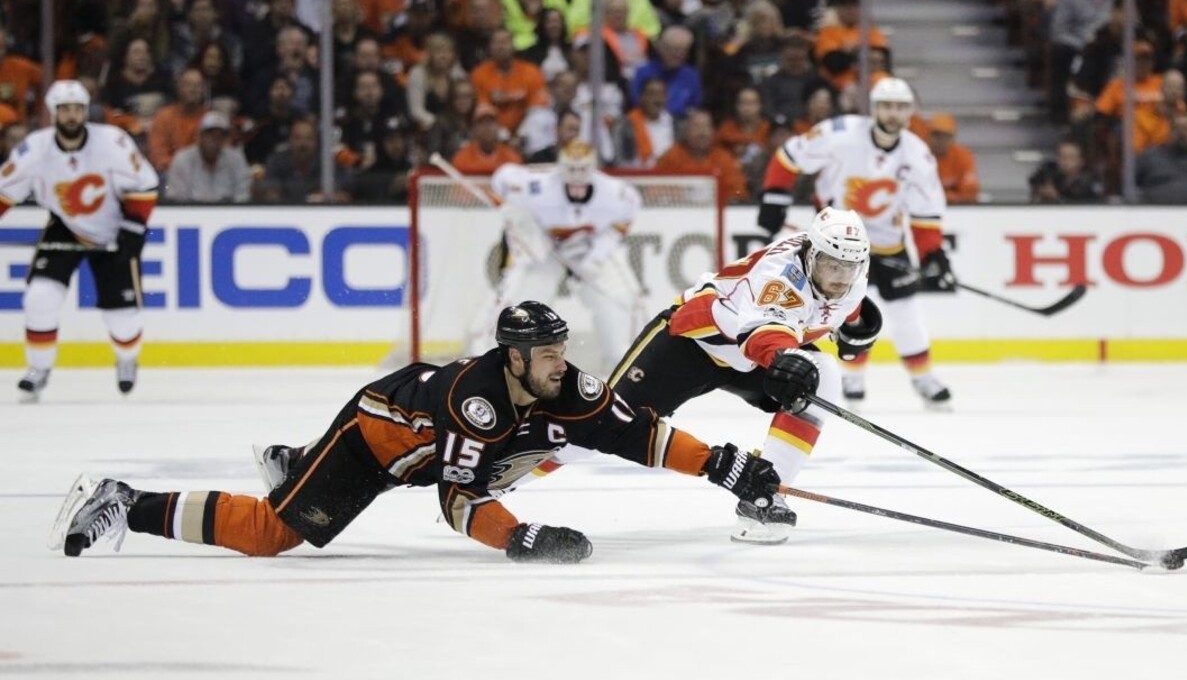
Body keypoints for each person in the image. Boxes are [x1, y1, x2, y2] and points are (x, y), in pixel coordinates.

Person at [50, 301, 780, 564]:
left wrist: (723, 465)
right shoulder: (477, 401)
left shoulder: (564, 385)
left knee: (573, 434)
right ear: (515, 357)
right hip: (378, 442)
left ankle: (289, 460)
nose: (564, 364)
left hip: (441, 451)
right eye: (549, 354)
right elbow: (458, 501)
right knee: (273, 536)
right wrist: (518, 539)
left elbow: (641, 436)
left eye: (564, 349)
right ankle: (118, 498)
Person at [563, 207, 877, 545]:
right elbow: (761, 334)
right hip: (691, 344)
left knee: (823, 375)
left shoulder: (853, 273)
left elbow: (844, 306)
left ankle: (764, 495)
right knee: (600, 423)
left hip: (744, 358)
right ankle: (505, 474)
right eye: (832, 265)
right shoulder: (781, 274)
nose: (840, 277)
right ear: (811, 253)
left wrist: (856, 326)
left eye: (849, 267)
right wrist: (783, 357)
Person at [756, 77, 954, 409]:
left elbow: (925, 211)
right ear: (874, 108)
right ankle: (852, 376)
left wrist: (933, 252)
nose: (893, 114)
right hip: (836, 246)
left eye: (901, 107)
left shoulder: (918, 154)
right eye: (887, 106)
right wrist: (774, 199)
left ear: (911, 112)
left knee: (906, 312)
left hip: (888, 244)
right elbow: (790, 156)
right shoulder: (841, 133)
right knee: (845, 309)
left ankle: (923, 378)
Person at [0, 80, 159, 401]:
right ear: (53, 113)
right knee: (39, 298)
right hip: (65, 226)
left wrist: (134, 227)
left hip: (115, 227)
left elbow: (146, 184)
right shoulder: (35, 150)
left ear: (85, 112)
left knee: (123, 320)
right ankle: (39, 369)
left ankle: (127, 359)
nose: (72, 116)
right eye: (64, 110)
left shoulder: (112, 142)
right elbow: (4, 193)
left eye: (77, 109)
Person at [467, 141, 642, 371]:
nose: (577, 177)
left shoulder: (617, 193)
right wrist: (523, 222)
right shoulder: (537, 186)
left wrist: (597, 255)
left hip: (587, 249)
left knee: (619, 298)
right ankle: (495, 359)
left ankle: (621, 363)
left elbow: (625, 219)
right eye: (571, 169)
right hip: (546, 251)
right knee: (524, 300)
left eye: (583, 170)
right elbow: (501, 179)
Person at [165, 111, 251, 203]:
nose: (215, 139)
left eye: (220, 135)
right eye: (210, 134)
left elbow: (243, 195)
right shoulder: (182, 159)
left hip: (228, 213)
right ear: (200, 136)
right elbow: (176, 198)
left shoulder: (236, 159)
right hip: (191, 214)